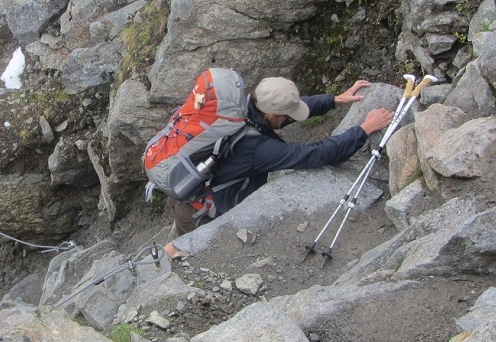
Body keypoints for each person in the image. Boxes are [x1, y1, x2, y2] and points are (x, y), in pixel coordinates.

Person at [164, 77, 394, 257]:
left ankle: (172, 245)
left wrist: (333, 100)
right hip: (201, 214)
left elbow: (285, 112)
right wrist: (362, 130)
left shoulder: (241, 108)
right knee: (198, 260)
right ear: (271, 114)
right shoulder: (258, 149)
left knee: (183, 238)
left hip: (188, 191)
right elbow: (315, 154)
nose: (287, 119)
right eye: (285, 116)